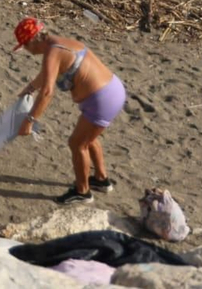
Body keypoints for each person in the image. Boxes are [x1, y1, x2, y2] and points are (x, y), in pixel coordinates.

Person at [13, 17, 126, 205]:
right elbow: (48, 74)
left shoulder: (52, 52)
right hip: (113, 89)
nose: (26, 50)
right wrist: (29, 88)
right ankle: (101, 179)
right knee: (89, 139)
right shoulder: (61, 43)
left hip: (101, 99)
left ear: (33, 41)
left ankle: (83, 192)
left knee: (77, 144)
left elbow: (48, 92)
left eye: (24, 45)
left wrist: (29, 120)